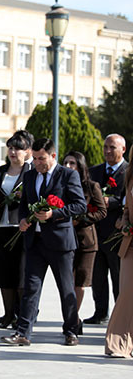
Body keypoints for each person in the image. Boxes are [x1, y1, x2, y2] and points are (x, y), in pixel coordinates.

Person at [1, 138, 86, 347]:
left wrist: (53, 214)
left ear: (53, 156)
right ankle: (23, 332)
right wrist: (23, 219)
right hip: (35, 241)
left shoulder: (68, 175)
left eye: (42, 159)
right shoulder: (30, 176)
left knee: (66, 289)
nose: (37, 163)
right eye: (35, 159)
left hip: (60, 243)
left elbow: (80, 205)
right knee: (30, 288)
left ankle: (71, 330)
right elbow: (25, 204)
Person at [0, 131, 33, 329]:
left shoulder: (31, 172)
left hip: (21, 227)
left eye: (18, 149)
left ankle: (22, 315)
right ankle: (8, 315)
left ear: (27, 151)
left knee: (21, 274)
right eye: (11, 148)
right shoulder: (0, 172)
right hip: (0, 226)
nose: (13, 152)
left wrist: (24, 196)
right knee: (3, 273)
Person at [62, 150, 106, 332]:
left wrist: (81, 219)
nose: (68, 166)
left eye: (72, 163)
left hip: (85, 241)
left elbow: (102, 211)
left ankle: (73, 319)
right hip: (64, 239)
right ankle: (72, 319)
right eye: (65, 163)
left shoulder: (91, 186)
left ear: (80, 166)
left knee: (79, 282)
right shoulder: (60, 184)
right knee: (66, 282)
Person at [86, 133, 128, 325]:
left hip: (118, 234)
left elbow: (128, 199)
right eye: (105, 147)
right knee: (98, 276)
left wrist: (111, 202)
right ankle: (100, 312)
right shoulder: (94, 172)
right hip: (95, 232)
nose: (108, 151)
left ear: (123, 149)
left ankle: (121, 315)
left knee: (119, 277)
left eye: (112, 147)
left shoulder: (129, 172)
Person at [104, 161, 133, 357]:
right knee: (126, 294)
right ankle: (117, 344)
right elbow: (127, 208)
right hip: (130, 243)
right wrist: (125, 222)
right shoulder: (130, 177)